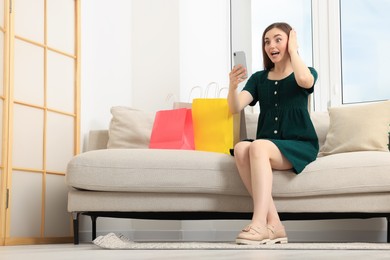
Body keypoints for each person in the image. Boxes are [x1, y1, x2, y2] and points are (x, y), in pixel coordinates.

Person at [227, 22, 319, 245]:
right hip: (268, 147)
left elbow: (306, 82)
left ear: (290, 41)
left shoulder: (304, 72)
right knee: (241, 148)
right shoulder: (259, 78)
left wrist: (294, 51)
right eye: (267, 41)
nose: (271, 45)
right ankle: (275, 225)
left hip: (298, 144)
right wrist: (232, 86)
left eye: (278, 39)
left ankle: (259, 223)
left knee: (258, 145)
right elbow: (235, 107)